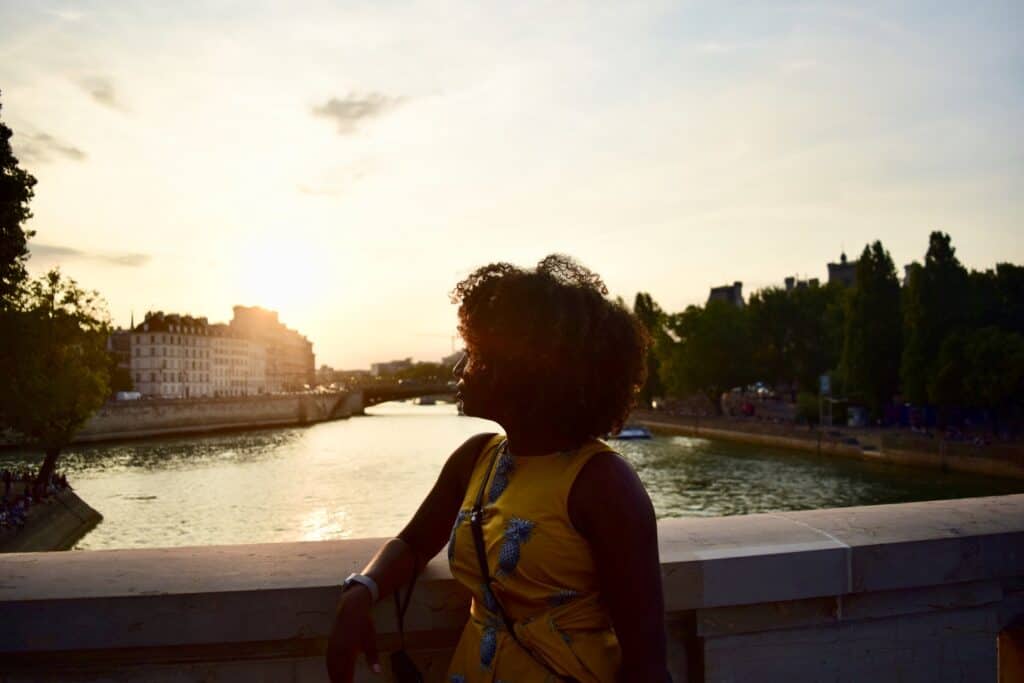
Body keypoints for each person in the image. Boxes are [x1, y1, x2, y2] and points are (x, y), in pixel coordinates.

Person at [327, 255, 670, 682]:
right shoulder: (476, 458)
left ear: (523, 371)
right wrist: (363, 589)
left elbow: (647, 663)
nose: (459, 369)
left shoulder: (603, 484)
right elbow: (414, 544)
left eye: (475, 354)